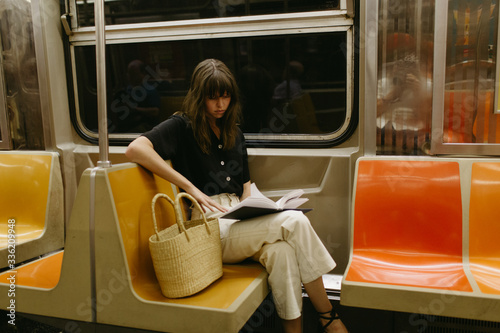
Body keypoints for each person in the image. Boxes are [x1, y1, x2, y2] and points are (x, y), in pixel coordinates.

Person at [125, 59, 348, 333]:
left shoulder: (235, 132)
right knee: (295, 223)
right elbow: (135, 149)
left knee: (283, 252)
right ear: (199, 96)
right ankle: (329, 318)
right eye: (213, 97)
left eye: (226, 96)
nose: (220, 104)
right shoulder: (182, 126)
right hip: (207, 225)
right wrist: (191, 188)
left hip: (237, 216)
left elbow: (245, 186)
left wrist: (261, 207)